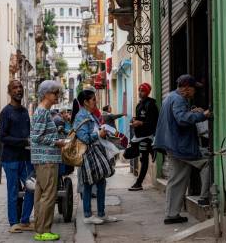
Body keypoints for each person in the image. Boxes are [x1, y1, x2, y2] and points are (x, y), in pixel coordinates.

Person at [152, 74, 211, 224]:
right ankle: (205, 198)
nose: (194, 92)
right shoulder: (178, 99)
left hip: (172, 144)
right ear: (186, 88)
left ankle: (172, 214)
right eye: (193, 89)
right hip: (180, 145)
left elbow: (179, 115)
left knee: (176, 179)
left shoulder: (170, 97)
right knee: (207, 162)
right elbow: (182, 119)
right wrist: (202, 115)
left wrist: (192, 111)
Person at [72, 90, 118, 225]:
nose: (95, 102)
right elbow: (84, 138)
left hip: (96, 151)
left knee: (100, 182)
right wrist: (99, 134)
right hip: (88, 153)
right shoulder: (81, 116)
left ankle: (101, 213)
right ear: (85, 102)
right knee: (88, 183)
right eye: (93, 100)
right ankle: (87, 215)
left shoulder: (90, 114)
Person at [31, 80, 66, 241]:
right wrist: (57, 142)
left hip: (44, 159)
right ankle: (44, 230)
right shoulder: (43, 112)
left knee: (41, 195)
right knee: (48, 196)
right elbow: (36, 137)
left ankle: (40, 229)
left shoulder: (43, 112)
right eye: (55, 93)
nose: (57, 96)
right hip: (46, 160)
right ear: (46, 94)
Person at [0, 80, 35, 233]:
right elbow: (3, 137)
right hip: (11, 159)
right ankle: (13, 222)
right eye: (15, 88)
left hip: (26, 158)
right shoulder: (6, 112)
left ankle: (25, 220)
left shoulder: (25, 111)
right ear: (9, 92)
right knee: (13, 191)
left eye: (20, 87)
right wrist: (23, 141)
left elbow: (28, 133)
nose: (18, 90)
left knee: (32, 188)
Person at [128, 83, 159, 191]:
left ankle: (138, 183)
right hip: (138, 136)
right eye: (139, 90)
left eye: (143, 90)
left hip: (147, 136)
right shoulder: (139, 104)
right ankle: (151, 149)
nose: (140, 92)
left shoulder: (151, 105)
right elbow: (139, 117)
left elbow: (153, 122)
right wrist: (134, 120)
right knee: (128, 153)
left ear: (148, 92)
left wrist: (140, 123)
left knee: (144, 159)